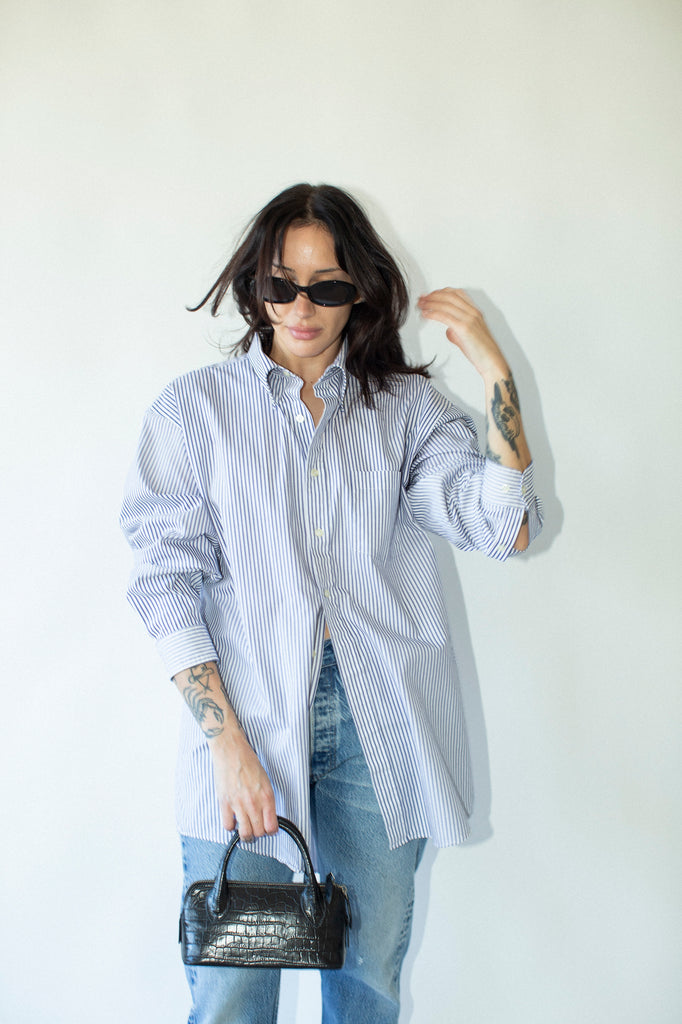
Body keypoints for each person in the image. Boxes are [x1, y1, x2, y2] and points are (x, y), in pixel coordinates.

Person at [120, 183, 542, 1024]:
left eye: (329, 287)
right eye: (282, 284)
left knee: (369, 982)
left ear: (362, 293)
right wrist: (228, 746)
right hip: (242, 726)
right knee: (232, 987)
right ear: (254, 287)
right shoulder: (195, 411)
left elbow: (505, 530)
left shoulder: (407, 410)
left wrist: (498, 374)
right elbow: (162, 582)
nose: (302, 308)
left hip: (380, 729)